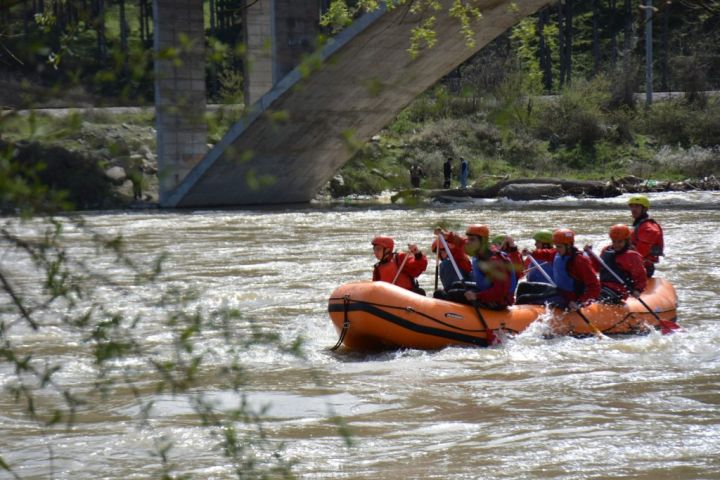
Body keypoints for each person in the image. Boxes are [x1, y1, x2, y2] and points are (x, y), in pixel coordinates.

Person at [438, 225, 516, 309]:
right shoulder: (479, 250)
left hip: (497, 301)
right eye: (469, 239)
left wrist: (477, 296)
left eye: (472, 239)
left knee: (451, 294)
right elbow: (462, 242)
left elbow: (500, 291)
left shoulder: (494, 260)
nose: (469, 242)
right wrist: (446, 235)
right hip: (484, 292)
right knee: (454, 286)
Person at [588, 224, 647, 304]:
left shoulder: (632, 256)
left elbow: (640, 277)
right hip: (602, 286)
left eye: (620, 242)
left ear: (626, 241)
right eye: (614, 241)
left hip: (619, 291)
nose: (616, 245)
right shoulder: (606, 250)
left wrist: (638, 290)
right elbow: (596, 268)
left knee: (600, 298)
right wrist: (590, 255)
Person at [549, 228, 600, 310]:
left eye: (559, 247)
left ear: (569, 245)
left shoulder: (580, 261)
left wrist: (581, 302)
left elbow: (595, 286)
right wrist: (532, 253)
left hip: (574, 299)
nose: (556, 249)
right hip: (561, 295)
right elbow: (546, 253)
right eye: (556, 246)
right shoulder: (557, 254)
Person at [628, 194, 664, 278]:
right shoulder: (640, 225)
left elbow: (642, 251)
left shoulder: (648, 227)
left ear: (644, 209)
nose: (633, 209)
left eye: (637, 206)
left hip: (643, 267)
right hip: (636, 265)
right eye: (632, 207)